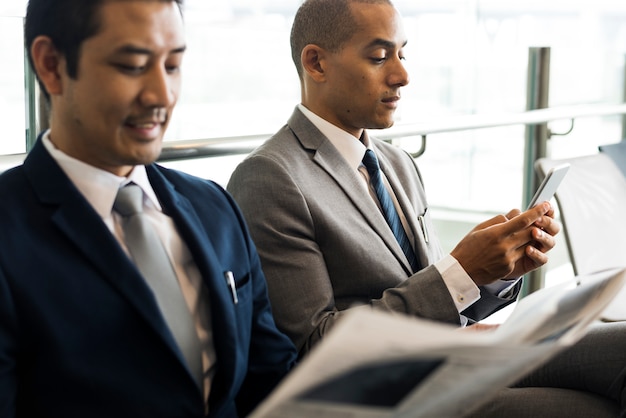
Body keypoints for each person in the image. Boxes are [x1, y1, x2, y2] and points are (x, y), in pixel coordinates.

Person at [227, 0, 626, 415]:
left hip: (454, 360)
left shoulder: (397, 164)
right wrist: (462, 270)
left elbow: (440, 299)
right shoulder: (270, 178)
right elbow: (311, 351)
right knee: (588, 408)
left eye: (402, 53)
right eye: (380, 57)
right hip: (386, 396)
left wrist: (494, 272)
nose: (402, 75)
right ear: (316, 63)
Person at [0, 1, 297, 417]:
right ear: (51, 65)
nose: (162, 95)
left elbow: (271, 378)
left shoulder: (215, 208)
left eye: (172, 66)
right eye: (133, 65)